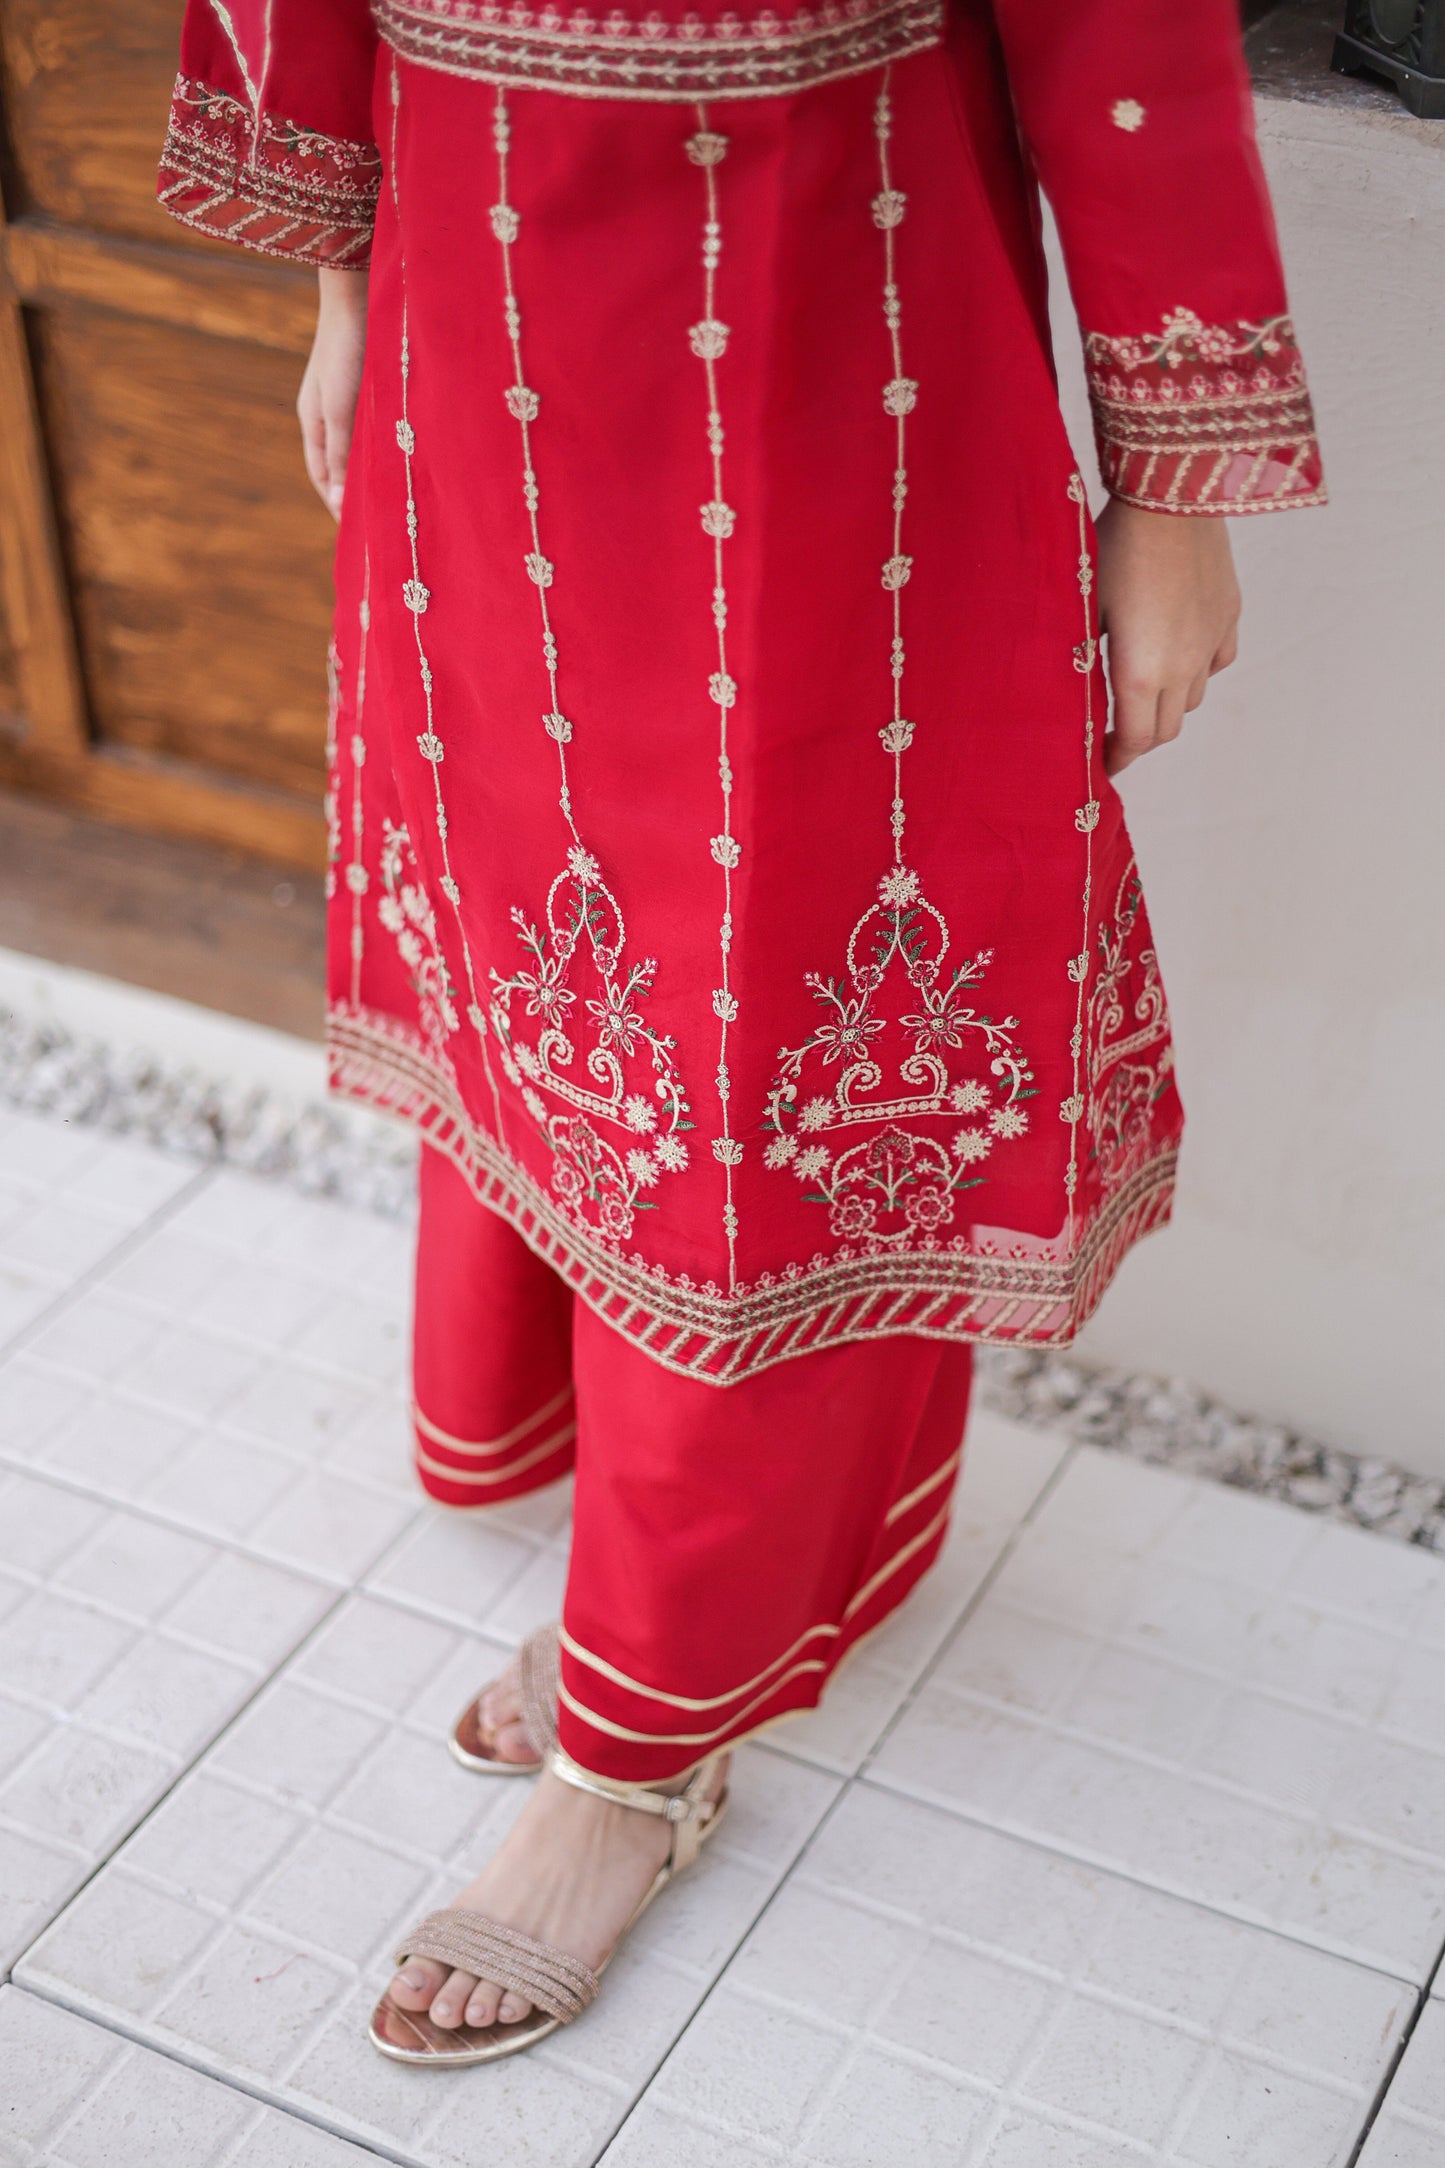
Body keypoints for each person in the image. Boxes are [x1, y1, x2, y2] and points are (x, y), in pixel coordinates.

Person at [159, 0, 1324, 2066]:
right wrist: (343, 288)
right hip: (468, 296)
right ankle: (640, 1571)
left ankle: (635, 1747)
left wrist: (1176, 487)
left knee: (765, 1033)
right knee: (549, 965)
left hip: (831, 326)